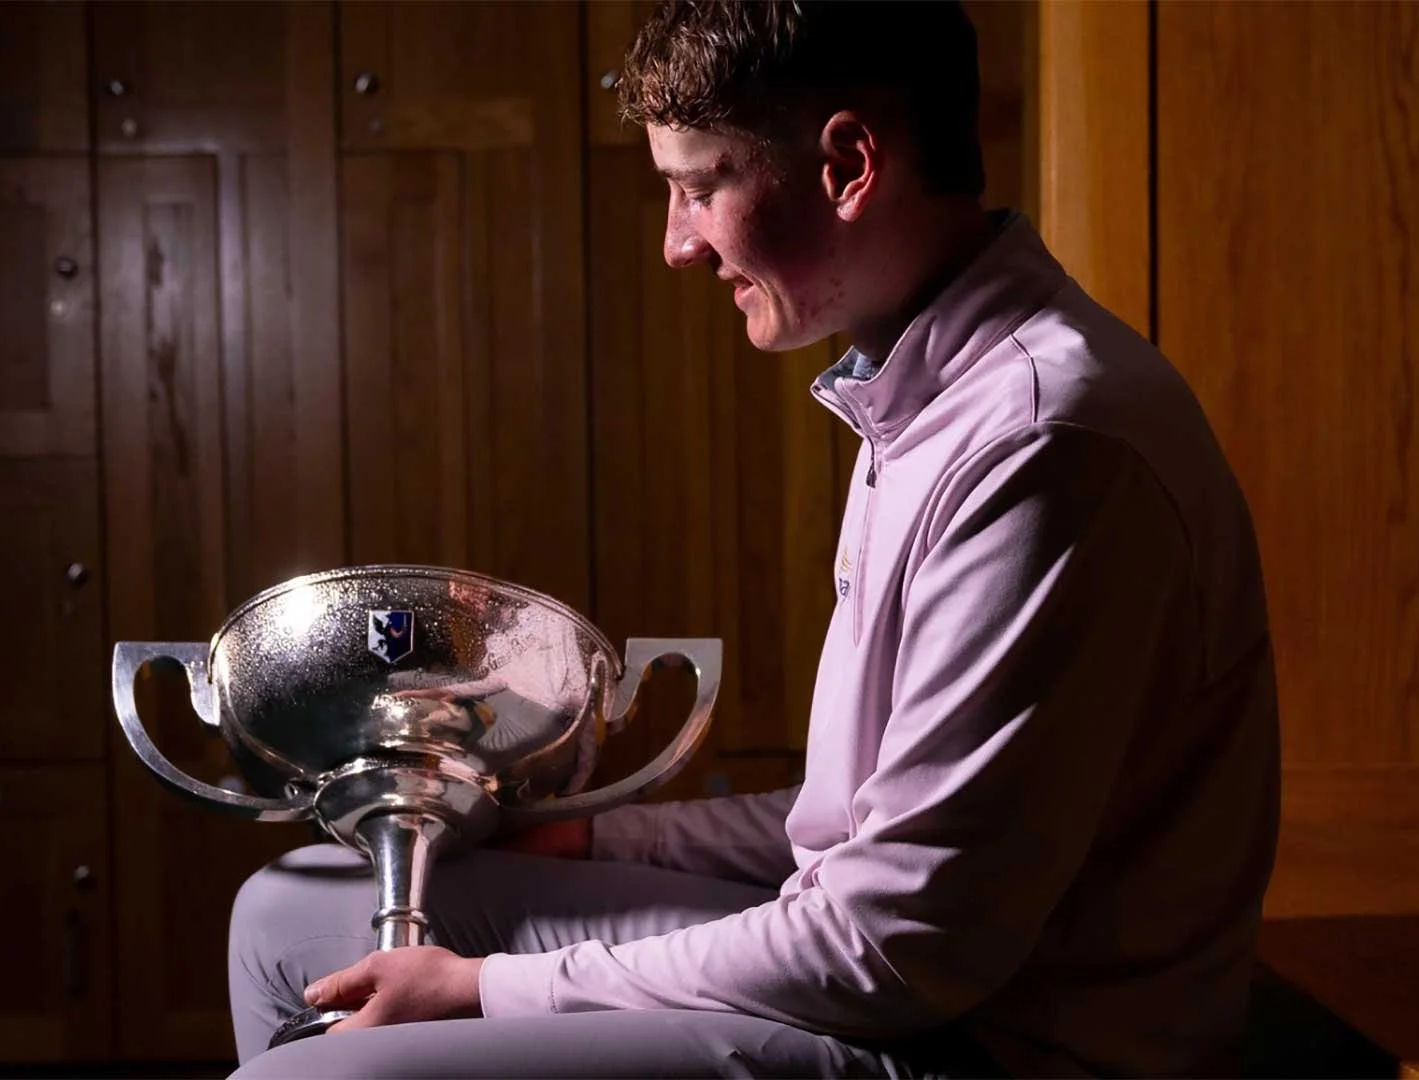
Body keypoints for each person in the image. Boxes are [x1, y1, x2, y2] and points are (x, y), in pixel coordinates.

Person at [226, 1, 1280, 1076]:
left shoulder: (1039, 443)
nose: (676, 244)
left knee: (324, 1073)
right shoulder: (926, 392)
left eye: (699, 188)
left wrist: (484, 989)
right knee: (287, 911)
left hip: (989, 1044)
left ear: (848, 165)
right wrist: (594, 836)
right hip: (895, 976)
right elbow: (871, 825)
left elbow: (897, 945)